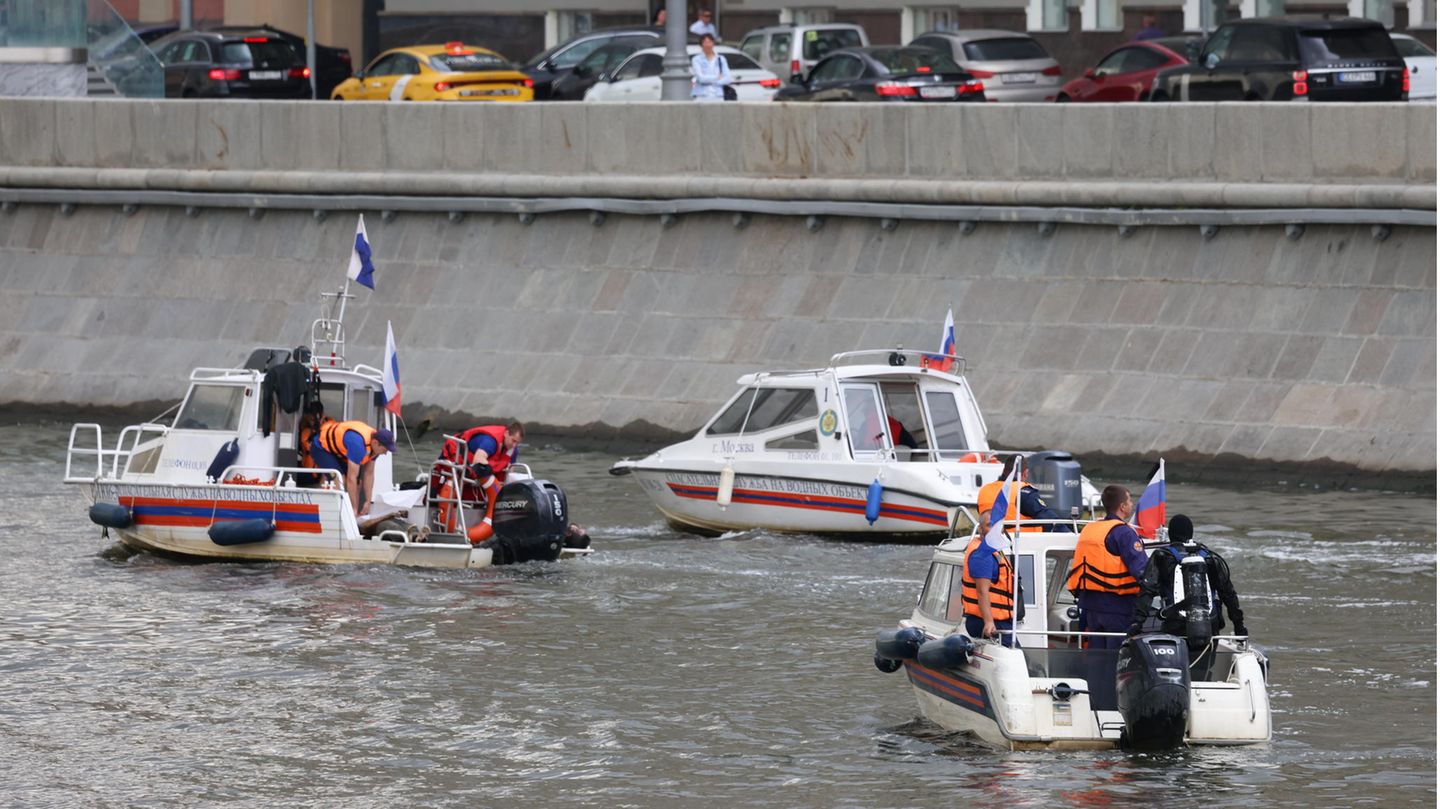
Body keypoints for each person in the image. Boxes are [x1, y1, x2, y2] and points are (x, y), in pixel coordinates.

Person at [1129, 514, 1248, 677]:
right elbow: (1229, 595)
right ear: (1191, 534)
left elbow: (1147, 591)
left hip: (1174, 625)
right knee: (1203, 672)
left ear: (1171, 535)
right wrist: (1239, 628)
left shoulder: (1162, 556)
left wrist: (1137, 623)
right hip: (1209, 626)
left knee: (1176, 672)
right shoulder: (1210, 557)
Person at [1066, 484, 1148, 649]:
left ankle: (1094, 676)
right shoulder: (1124, 533)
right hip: (1118, 608)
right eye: (1130, 501)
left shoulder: (1089, 530)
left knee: (1096, 657)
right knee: (1117, 659)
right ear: (1122, 506)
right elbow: (1142, 571)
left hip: (1090, 607)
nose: (1132, 505)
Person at [961, 510, 1022, 647]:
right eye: (989, 525)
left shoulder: (994, 549)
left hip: (1000, 619)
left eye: (997, 525)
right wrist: (989, 622)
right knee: (1018, 656)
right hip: (987, 621)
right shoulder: (982, 555)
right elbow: (982, 591)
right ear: (981, 529)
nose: (994, 529)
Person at [312, 419, 396, 517]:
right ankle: (333, 511)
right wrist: (353, 507)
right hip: (320, 447)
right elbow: (351, 478)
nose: (386, 453)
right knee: (340, 479)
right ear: (375, 443)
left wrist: (368, 501)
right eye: (385, 449)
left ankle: (353, 514)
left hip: (338, 451)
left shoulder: (375, 449)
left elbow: (369, 474)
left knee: (357, 483)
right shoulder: (358, 446)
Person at [976, 455, 1073, 533]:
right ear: (1025, 473)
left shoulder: (984, 491)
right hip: (1023, 546)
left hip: (991, 543)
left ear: (1004, 470)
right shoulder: (1023, 492)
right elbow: (1048, 518)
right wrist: (1070, 535)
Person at [296, 400, 333, 487]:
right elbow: (307, 446)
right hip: (308, 470)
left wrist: (320, 426)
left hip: (321, 472)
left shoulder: (329, 425)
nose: (313, 419)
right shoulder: (306, 431)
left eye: (315, 415)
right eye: (311, 416)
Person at [690, 33, 731, 101]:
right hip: (702, 95)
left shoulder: (721, 59)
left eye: (709, 42)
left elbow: (728, 78)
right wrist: (717, 77)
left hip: (718, 95)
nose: (708, 45)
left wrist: (715, 82)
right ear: (701, 45)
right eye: (705, 42)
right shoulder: (696, 59)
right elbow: (701, 78)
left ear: (713, 43)